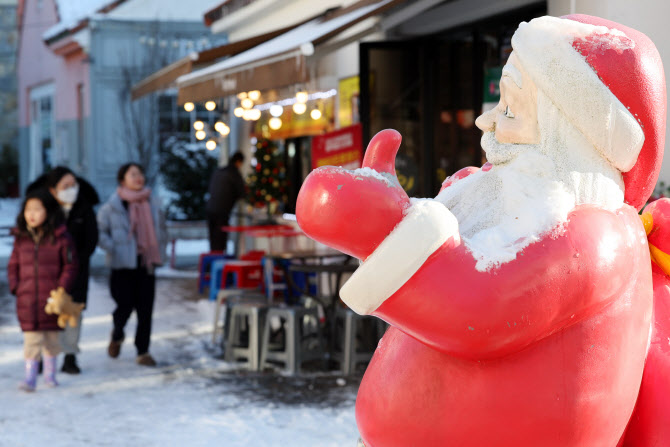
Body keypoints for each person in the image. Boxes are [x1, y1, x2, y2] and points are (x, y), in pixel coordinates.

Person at [296, 15, 668, 447]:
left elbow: (477, 309)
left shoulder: (597, 237)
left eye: (510, 108)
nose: (485, 122)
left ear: (571, 131)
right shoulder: (520, 208)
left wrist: (381, 229)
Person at [27, 167, 100, 374]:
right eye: (65, 186)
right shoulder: (44, 210)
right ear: (53, 189)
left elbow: (91, 239)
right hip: (47, 273)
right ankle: (42, 355)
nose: (71, 189)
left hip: (77, 272)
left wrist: (76, 262)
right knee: (45, 314)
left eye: (73, 185)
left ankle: (70, 356)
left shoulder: (84, 209)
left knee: (72, 314)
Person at [7, 188, 78, 391]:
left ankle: (50, 375)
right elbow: (13, 265)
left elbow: (70, 266)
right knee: (32, 340)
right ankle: (30, 378)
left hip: (53, 301)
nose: (32, 214)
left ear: (49, 211)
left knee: (52, 341)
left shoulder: (61, 238)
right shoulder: (21, 237)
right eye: (28, 209)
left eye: (37, 209)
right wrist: (16, 286)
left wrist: (62, 290)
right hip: (27, 299)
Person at [97, 163, 166, 367]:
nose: (138, 177)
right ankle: (117, 334)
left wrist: (160, 248)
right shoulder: (112, 206)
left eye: (140, 173)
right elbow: (100, 232)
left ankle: (143, 351)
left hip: (146, 262)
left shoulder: (153, 202)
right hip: (121, 265)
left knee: (146, 310)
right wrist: (114, 247)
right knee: (124, 305)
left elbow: (162, 229)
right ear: (122, 180)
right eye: (133, 174)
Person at [205, 152, 246, 252]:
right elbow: (242, 192)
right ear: (239, 162)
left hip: (210, 208)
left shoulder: (219, 171)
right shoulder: (234, 174)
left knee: (213, 238)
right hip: (222, 210)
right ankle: (219, 260)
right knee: (220, 239)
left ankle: (213, 260)